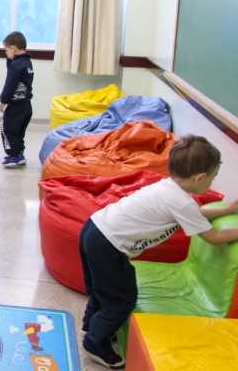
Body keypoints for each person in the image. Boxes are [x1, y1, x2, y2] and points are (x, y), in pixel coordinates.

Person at [78, 135, 238, 369]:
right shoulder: (182, 202)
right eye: (213, 178)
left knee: (101, 288)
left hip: (93, 228)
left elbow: (194, 215)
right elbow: (213, 237)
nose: (212, 182)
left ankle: (92, 325)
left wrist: (226, 210)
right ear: (200, 178)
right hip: (109, 245)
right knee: (121, 299)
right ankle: (95, 342)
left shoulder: (168, 188)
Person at [0, 31, 33, 167]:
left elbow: (10, 84)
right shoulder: (27, 62)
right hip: (26, 106)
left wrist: (3, 101)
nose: (6, 53)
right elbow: (12, 72)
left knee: (7, 129)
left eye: (6, 50)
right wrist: (9, 58)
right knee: (19, 132)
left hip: (15, 106)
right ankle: (19, 153)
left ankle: (15, 155)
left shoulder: (16, 66)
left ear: (13, 48)